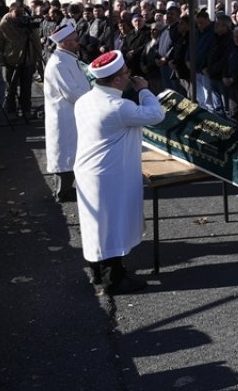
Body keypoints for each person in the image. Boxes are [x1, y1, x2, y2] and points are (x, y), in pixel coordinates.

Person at [73, 51, 165, 295]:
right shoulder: (118, 106)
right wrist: (145, 90)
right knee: (112, 225)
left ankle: (97, 272)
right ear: (116, 80)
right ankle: (114, 279)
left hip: (90, 171)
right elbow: (157, 114)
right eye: (125, 74)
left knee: (96, 225)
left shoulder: (85, 100)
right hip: (109, 175)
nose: (129, 77)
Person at [42, 24, 87, 202]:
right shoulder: (59, 63)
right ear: (66, 43)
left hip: (73, 114)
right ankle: (63, 191)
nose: (79, 42)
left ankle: (66, 189)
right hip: (65, 116)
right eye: (75, 40)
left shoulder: (67, 58)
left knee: (72, 152)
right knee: (66, 153)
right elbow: (72, 92)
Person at [0, 4, 42, 120]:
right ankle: (11, 111)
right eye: (17, 13)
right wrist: (0, 60)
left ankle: (26, 110)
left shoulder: (27, 24)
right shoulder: (2, 26)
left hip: (27, 59)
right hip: (10, 61)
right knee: (11, 88)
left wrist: (36, 58)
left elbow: (36, 42)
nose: (20, 16)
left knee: (26, 88)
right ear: (10, 12)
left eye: (22, 13)